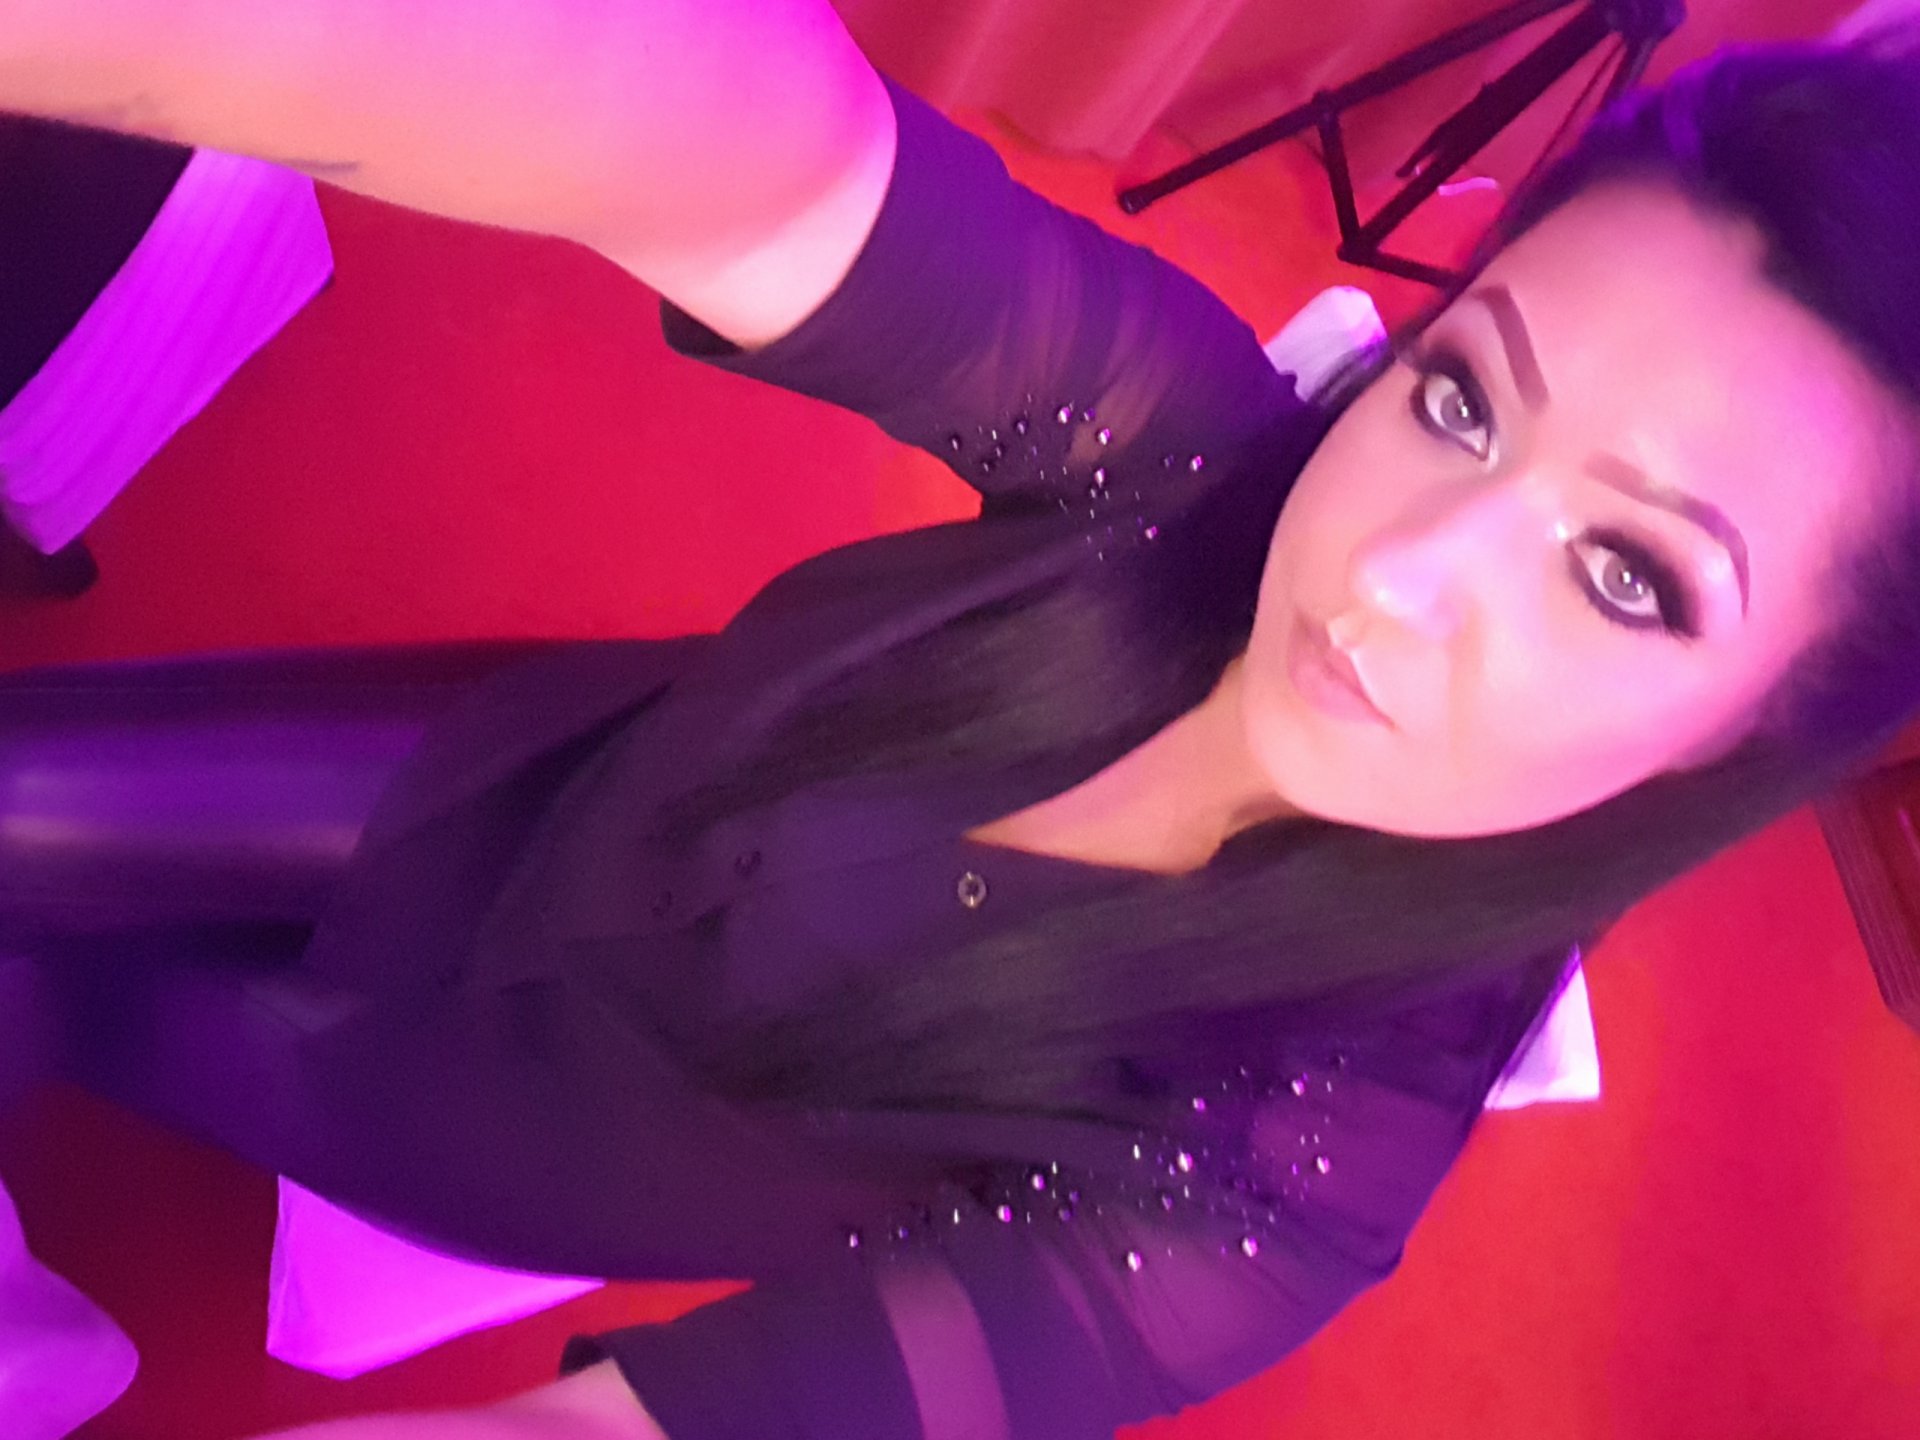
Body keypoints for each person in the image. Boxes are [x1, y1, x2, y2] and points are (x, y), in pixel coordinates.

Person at [3, 4, 1919, 1438]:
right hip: (523, 775)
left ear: (1738, 740)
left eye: (1629, 577)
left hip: (505, 1115)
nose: (1396, 578)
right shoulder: (1189, 468)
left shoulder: (1284, 1170)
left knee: (81, 1016)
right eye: (1464, 400)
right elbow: (757, 155)